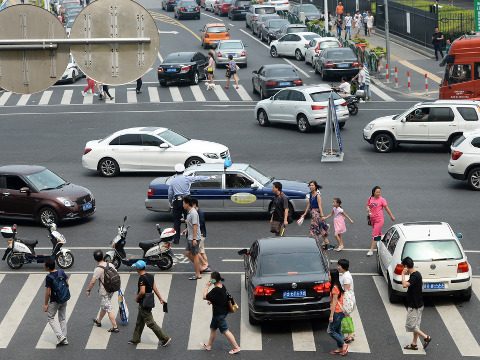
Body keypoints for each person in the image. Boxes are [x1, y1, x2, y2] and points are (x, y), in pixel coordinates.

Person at [168, 163, 215, 244]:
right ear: (183, 171)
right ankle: (189, 238)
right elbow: (197, 178)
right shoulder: (186, 178)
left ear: (176, 172)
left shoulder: (172, 181)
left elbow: (170, 193)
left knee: (176, 221)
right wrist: (209, 177)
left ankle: (176, 240)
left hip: (177, 201)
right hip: (187, 200)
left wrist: (170, 202)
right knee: (189, 219)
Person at [128, 260, 171, 346]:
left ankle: (165, 338)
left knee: (150, 322)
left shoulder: (142, 278)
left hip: (144, 303)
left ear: (138, 268)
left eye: (136, 267)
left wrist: (137, 299)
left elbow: (142, 291)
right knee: (139, 322)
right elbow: (155, 288)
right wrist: (160, 298)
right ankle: (135, 339)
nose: (135, 268)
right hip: (148, 302)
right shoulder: (150, 276)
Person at [201, 271, 241, 354]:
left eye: (210, 278)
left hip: (219, 314)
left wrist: (207, 286)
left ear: (214, 280)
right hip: (221, 312)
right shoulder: (222, 286)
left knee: (225, 331)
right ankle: (209, 345)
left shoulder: (215, 289)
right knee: (213, 328)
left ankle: (236, 347)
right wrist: (212, 301)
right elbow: (222, 297)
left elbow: (204, 297)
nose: (210, 280)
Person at [401, 257, 432, 351]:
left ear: (406, 266)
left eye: (403, 267)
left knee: (411, 325)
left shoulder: (414, 277)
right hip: (419, 304)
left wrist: (403, 274)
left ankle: (426, 337)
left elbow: (404, 285)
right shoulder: (417, 274)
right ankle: (414, 344)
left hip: (414, 306)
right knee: (416, 326)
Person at [86, 250, 119, 333]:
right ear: (103, 257)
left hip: (104, 291)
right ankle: (99, 321)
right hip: (112, 289)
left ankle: (115, 327)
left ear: (95, 259)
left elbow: (93, 281)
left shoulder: (98, 269)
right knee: (104, 305)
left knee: (108, 308)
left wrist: (88, 290)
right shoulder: (110, 264)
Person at [43, 258, 69, 346]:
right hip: (64, 298)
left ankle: (60, 336)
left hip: (55, 300)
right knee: (62, 318)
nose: (43, 265)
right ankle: (64, 338)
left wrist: (46, 304)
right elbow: (67, 284)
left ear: (48, 267)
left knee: (50, 318)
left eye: (44, 264)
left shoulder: (49, 277)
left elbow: (47, 293)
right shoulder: (61, 272)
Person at [366, 186, 395, 256]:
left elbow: (387, 209)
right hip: (372, 219)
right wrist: (368, 209)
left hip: (379, 219)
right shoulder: (370, 198)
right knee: (379, 234)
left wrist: (391, 216)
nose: (379, 193)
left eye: (379, 192)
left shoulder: (382, 200)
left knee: (374, 235)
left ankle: (371, 250)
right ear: (374, 192)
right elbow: (368, 205)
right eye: (377, 192)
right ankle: (388, 241)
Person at [302, 181, 330, 246]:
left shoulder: (318, 196)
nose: (311, 186)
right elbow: (309, 204)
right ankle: (325, 240)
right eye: (310, 185)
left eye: (312, 185)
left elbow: (320, 206)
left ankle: (314, 241)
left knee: (314, 227)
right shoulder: (311, 194)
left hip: (316, 214)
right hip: (312, 213)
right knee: (319, 227)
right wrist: (305, 213)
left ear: (315, 187)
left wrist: (322, 216)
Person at [327, 269, 348, 356]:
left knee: (330, 330)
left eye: (329, 275)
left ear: (332, 276)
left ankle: (343, 344)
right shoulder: (338, 285)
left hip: (337, 312)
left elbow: (334, 302)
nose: (328, 277)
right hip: (341, 311)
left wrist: (331, 315)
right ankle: (339, 348)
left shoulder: (335, 288)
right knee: (338, 330)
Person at [182, 195, 204, 280]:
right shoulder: (189, 212)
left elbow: (195, 226)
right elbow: (192, 225)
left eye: (183, 203)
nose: (182, 205)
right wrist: (187, 229)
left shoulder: (193, 213)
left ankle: (198, 274)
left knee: (195, 255)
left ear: (187, 204)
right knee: (187, 253)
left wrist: (194, 239)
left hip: (194, 238)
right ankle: (199, 267)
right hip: (190, 237)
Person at [338, 259, 355, 343]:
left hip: (347, 300)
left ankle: (351, 334)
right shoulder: (345, 275)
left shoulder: (346, 277)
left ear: (342, 267)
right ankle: (350, 334)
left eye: (339, 266)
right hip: (347, 299)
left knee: (347, 316)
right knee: (347, 316)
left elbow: (346, 290)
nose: (338, 267)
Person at [192, 198, 210, 273]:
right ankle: (207, 266)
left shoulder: (200, 212)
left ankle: (205, 265)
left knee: (196, 251)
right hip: (202, 234)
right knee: (202, 251)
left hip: (201, 235)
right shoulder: (196, 212)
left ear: (195, 205)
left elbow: (201, 223)